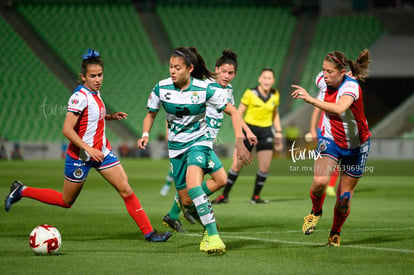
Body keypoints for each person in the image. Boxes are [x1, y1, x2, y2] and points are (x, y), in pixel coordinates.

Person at [4, 49, 172, 242]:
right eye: (92, 76)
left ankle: (150, 234)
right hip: (81, 157)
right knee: (66, 201)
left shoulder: (96, 93)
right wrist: (88, 148)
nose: (97, 79)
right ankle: (22, 190)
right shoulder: (79, 97)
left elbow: (91, 119)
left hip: (102, 153)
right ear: (82, 77)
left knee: (126, 190)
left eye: (100, 75)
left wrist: (110, 117)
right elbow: (67, 129)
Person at [137, 46, 252, 255]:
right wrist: (145, 134)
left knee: (197, 186)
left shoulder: (206, 89)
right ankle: (182, 211)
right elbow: (151, 114)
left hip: (200, 141)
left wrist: (241, 140)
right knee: (189, 197)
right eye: (171, 67)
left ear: (189, 68)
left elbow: (233, 112)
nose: (172, 70)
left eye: (177, 67)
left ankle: (213, 235)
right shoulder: (161, 88)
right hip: (176, 148)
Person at [161, 49, 257, 232]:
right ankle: (190, 209)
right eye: (223, 71)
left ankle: (176, 214)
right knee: (215, 180)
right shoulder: (204, 86)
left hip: (207, 141)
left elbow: (234, 112)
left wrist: (247, 131)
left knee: (207, 182)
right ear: (216, 69)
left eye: (231, 73)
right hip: (196, 141)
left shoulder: (227, 90)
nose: (226, 76)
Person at [291, 49, 371, 247]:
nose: (324, 75)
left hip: (357, 146)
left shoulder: (351, 88)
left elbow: (339, 108)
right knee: (319, 182)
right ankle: (316, 212)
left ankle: (335, 232)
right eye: (323, 70)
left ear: (342, 72)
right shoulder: (322, 80)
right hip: (330, 140)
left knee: (344, 198)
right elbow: (326, 103)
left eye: (329, 72)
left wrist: (309, 99)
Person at [213, 68, 283, 204]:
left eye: (270, 78)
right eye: (264, 77)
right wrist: (242, 132)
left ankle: (255, 197)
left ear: (273, 81)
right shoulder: (250, 93)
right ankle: (224, 195)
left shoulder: (275, 94)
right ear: (259, 79)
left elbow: (275, 113)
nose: (267, 80)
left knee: (265, 167)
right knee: (237, 165)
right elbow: (237, 113)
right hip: (249, 130)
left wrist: (279, 131)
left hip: (266, 132)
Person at [309, 71, 339, 197]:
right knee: (326, 160)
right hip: (324, 130)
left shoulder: (345, 90)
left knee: (337, 161)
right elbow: (316, 110)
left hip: (339, 131)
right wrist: (312, 129)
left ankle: (330, 186)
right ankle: (322, 184)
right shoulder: (324, 90)